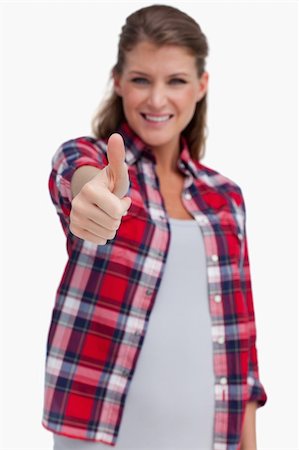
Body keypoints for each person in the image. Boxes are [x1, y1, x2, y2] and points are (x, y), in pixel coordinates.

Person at [42, 4, 268, 450]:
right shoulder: (89, 160)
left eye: (176, 81)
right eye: (142, 79)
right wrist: (93, 197)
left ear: (201, 85)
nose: (157, 99)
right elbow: (77, 178)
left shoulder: (226, 197)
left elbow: (241, 336)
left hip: (208, 435)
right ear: (118, 81)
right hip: (99, 434)